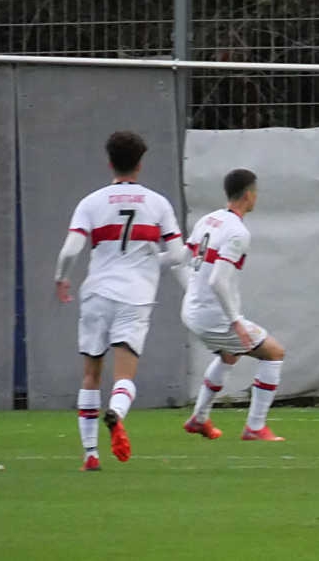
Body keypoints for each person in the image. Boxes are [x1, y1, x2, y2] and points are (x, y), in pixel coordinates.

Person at [55, 130, 189, 471]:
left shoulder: (91, 202)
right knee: (125, 375)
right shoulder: (158, 203)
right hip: (136, 296)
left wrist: (61, 277)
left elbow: (71, 249)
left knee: (90, 374)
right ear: (140, 164)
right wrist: (151, 259)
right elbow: (177, 256)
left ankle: (90, 454)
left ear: (109, 163)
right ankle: (116, 412)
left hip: (97, 293)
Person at [180, 169, 288, 442]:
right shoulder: (238, 232)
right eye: (256, 193)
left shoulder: (208, 220)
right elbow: (218, 281)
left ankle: (199, 419)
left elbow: (180, 260)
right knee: (274, 353)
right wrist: (235, 321)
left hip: (191, 312)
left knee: (229, 355)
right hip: (215, 317)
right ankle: (255, 427)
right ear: (249, 195)